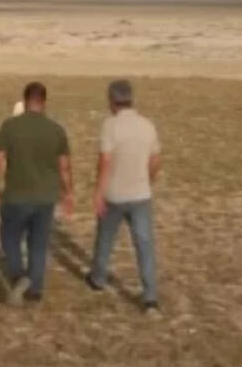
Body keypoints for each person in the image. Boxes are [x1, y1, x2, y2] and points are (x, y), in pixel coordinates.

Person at [0, 81, 73, 306]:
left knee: (10, 239)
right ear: (44, 102)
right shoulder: (56, 130)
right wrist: (68, 193)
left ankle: (18, 276)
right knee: (39, 244)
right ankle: (34, 290)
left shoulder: (10, 126)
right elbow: (64, 166)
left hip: (17, 195)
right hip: (45, 198)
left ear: (25, 100)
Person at [87, 79, 162, 313]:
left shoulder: (110, 126)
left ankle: (98, 278)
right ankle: (150, 297)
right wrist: (147, 180)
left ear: (112, 101)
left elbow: (105, 162)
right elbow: (155, 159)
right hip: (141, 195)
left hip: (114, 195)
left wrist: (98, 192)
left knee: (105, 239)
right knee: (144, 245)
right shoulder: (147, 125)